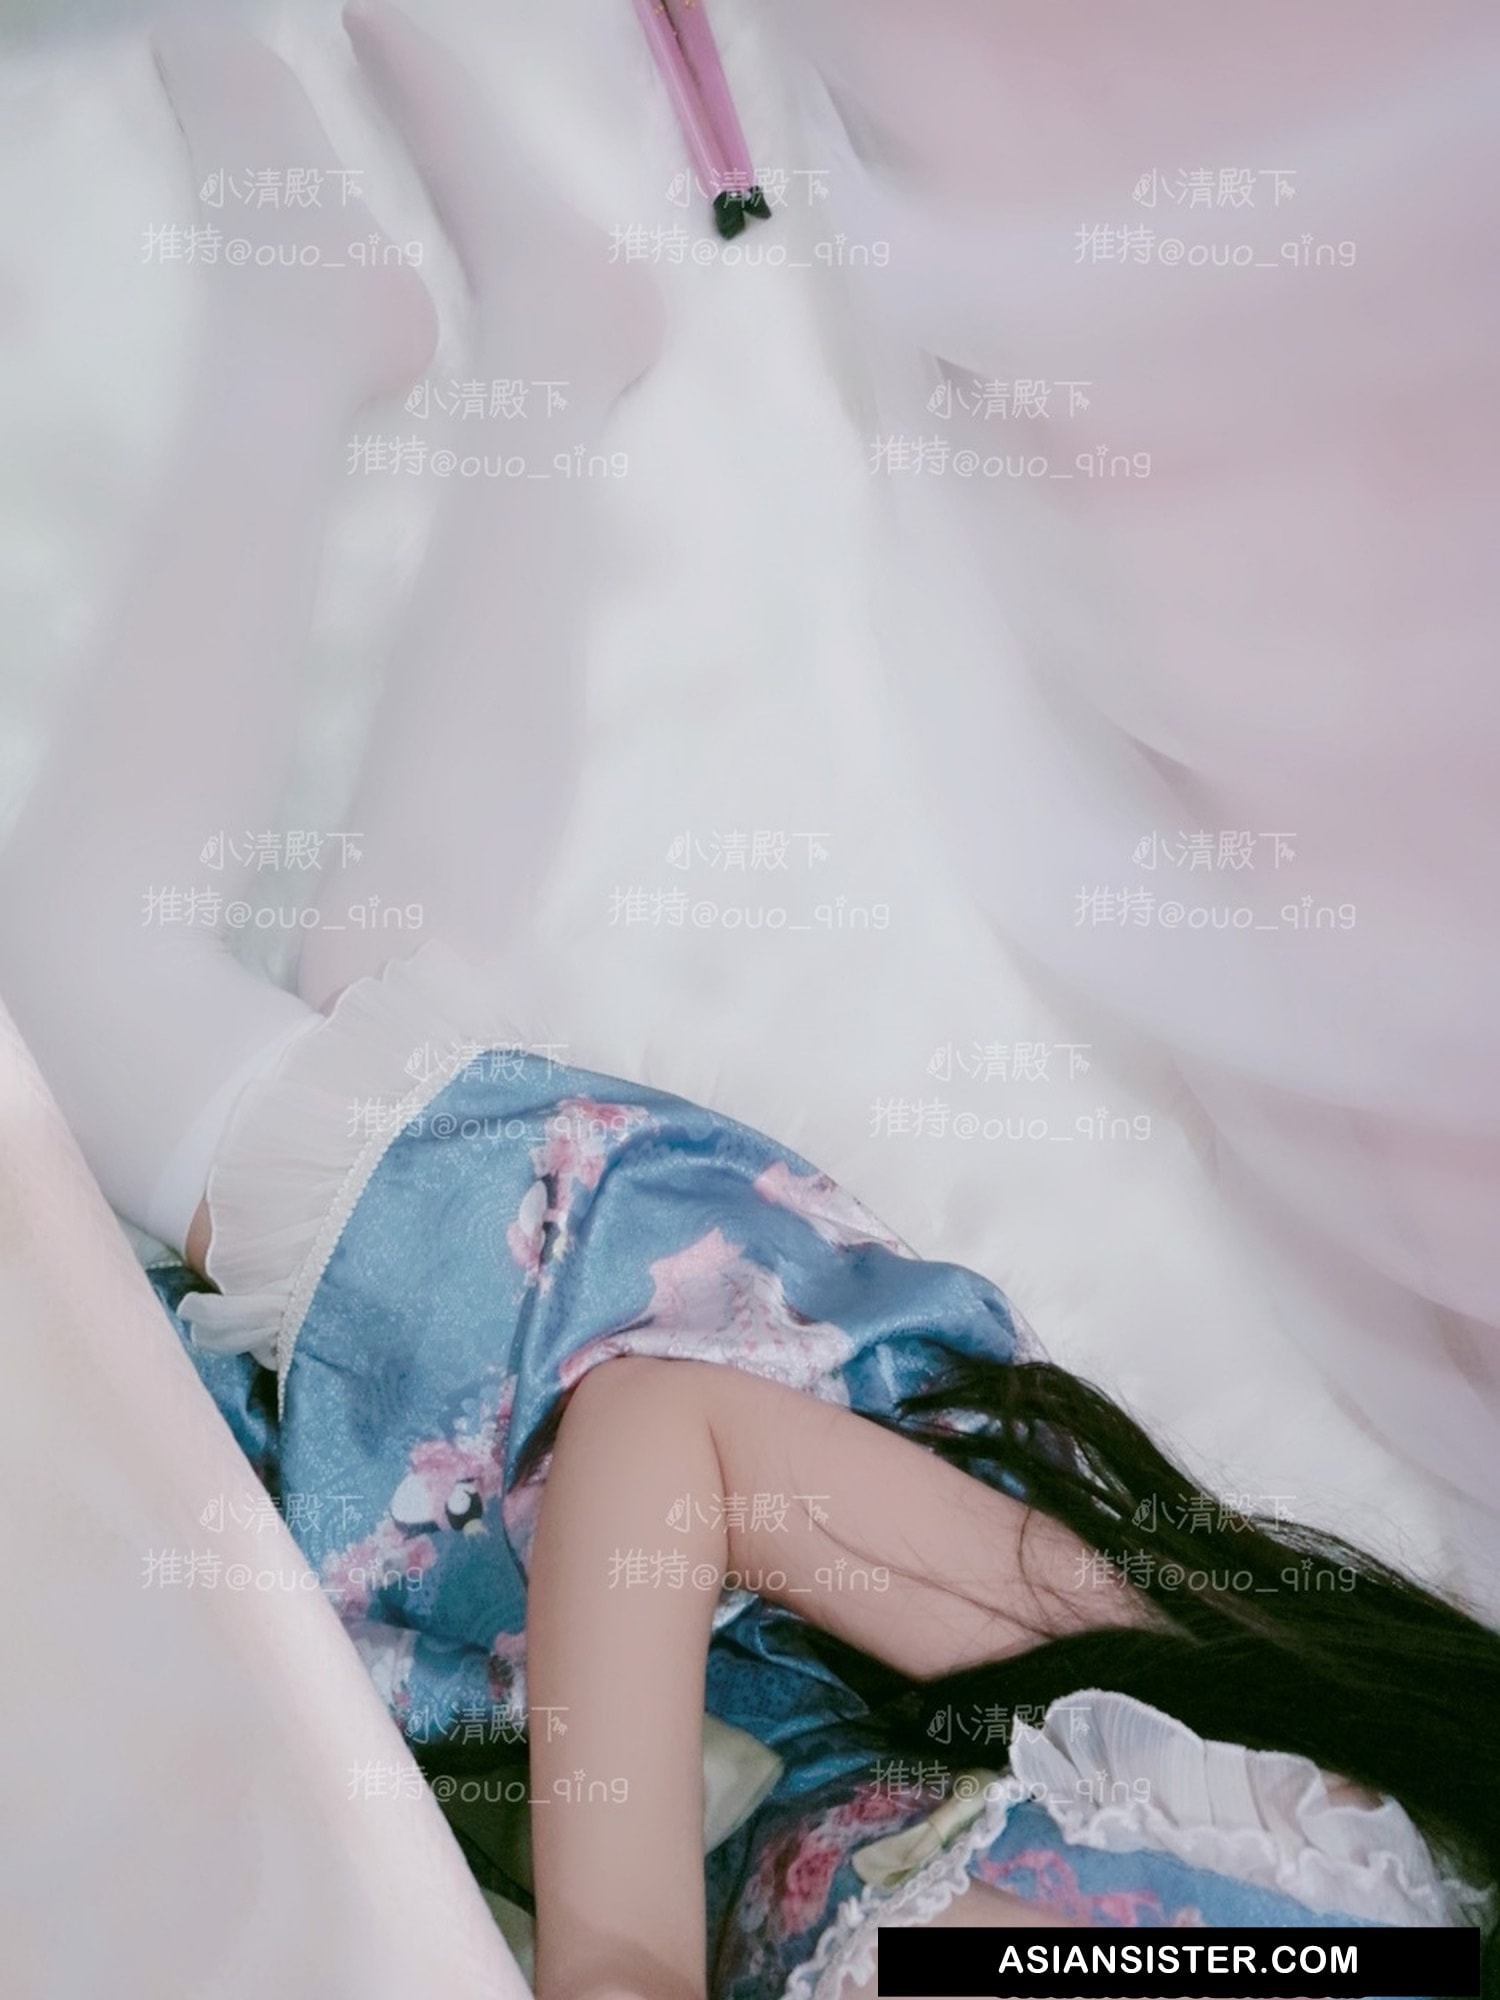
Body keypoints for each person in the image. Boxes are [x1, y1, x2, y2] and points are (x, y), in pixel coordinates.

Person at [0, 11, 1492, 2000]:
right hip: (703, 1385)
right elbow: (666, 1435)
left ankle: (542, 334)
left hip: (616, 1664)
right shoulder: (1278, 1885)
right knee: (84, 992)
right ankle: (307, 337)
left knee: (370, 987)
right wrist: (617, 1960)